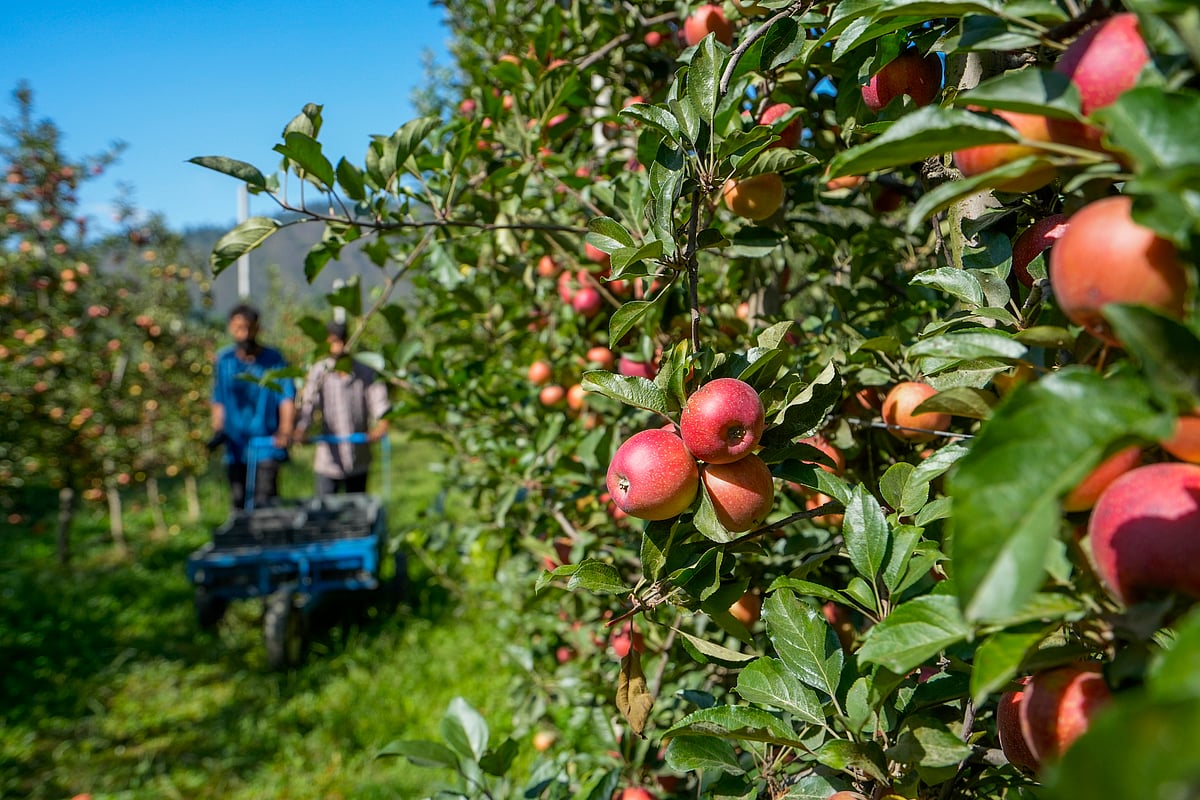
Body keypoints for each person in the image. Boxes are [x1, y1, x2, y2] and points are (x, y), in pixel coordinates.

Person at [208, 304, 296, 510]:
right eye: (239, 328)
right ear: (231, 328)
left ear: (257, 328)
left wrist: (285, 429)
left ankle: (268, 540)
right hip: (236, 445)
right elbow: (218, 398)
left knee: (265, 501)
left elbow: (286, 397)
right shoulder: (225, 361)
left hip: (267, 444)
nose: (244, 334)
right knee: (238, 501)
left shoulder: (274, 360)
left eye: (249, 328)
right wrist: (218, 429)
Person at [294, 320, 390, 496]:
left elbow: (379, 400)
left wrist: (382, 425)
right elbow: (309, 403)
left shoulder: (365, 371)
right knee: (326, 510)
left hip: (359, 454)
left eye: (340, 341)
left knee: (356, 508)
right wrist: (301, 429)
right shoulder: (319, 372)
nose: (337, 347)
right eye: (333, 342)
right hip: (329, 460)